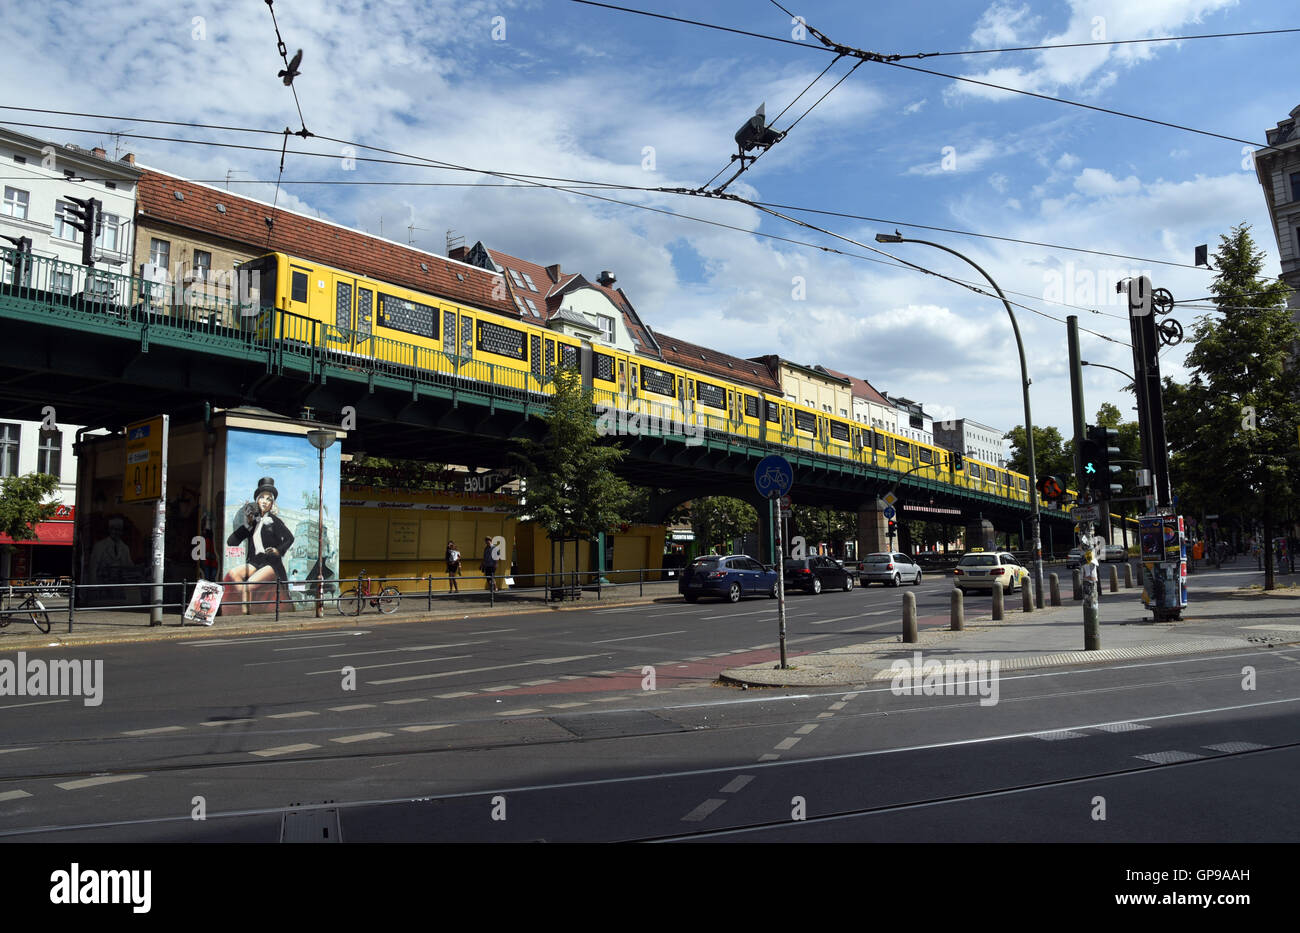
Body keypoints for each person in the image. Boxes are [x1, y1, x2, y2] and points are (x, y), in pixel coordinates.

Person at [225, 476, 295, 614]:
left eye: (269, 499)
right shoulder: (254, 521)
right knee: (233, 574)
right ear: (257, 500)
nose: (265, 501)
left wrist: (278, 550)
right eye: (262, 497)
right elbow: (231, 542)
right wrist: (247, 525)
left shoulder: (274, 521)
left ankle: (247, 613)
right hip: (256, 561)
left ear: (272, 503)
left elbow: (289, 538)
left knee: (248, 586)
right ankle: (246, 605)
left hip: (271, 563)